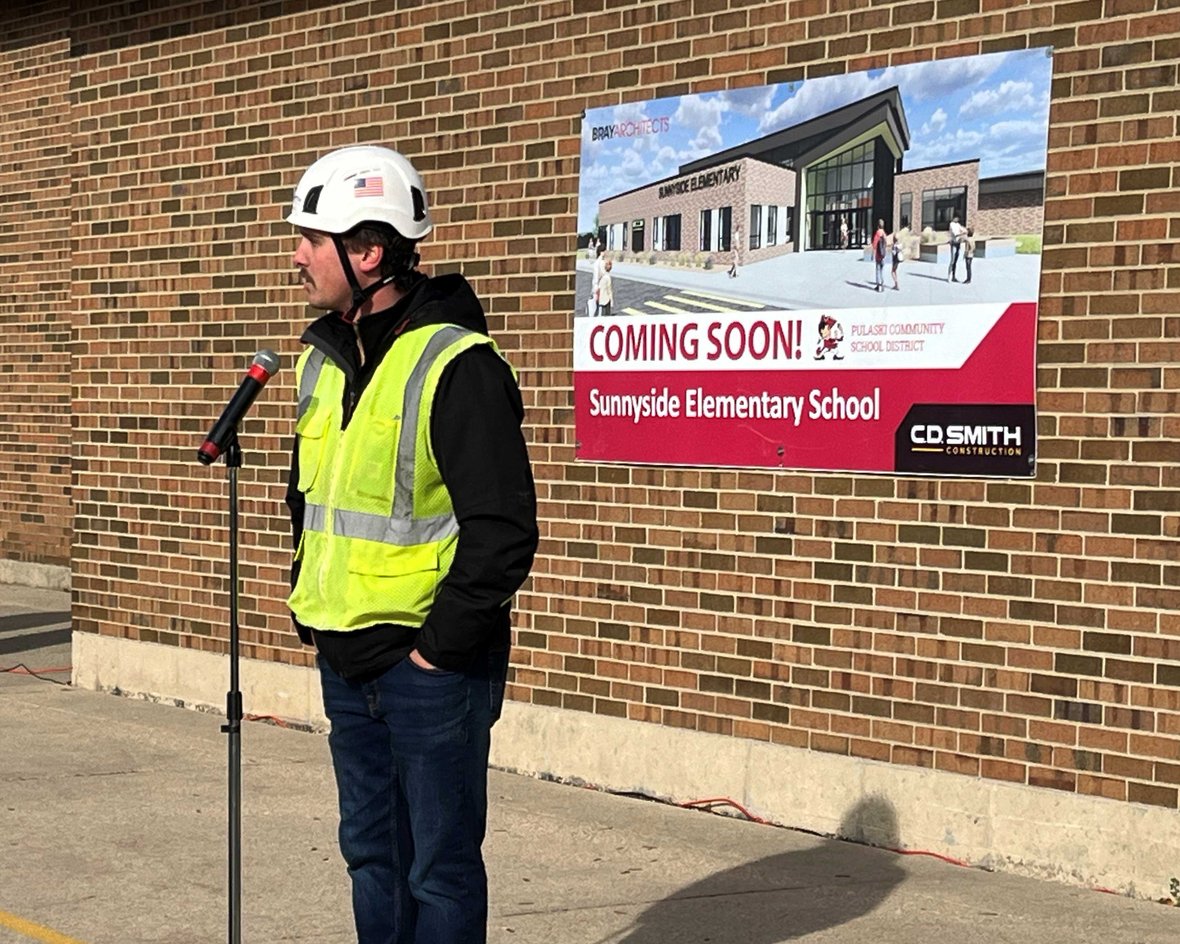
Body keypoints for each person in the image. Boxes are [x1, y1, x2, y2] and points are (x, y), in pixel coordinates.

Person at [285, 144, 539, 944]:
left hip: (429, 673)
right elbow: (308, 500)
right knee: (372, 858)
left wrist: (436, 653)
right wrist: (314, 610)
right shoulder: (322, 361)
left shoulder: (456, 364)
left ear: (368, 251)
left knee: (440, 872)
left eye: (311, 240)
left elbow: (502, 532)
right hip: (345, 660)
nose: (297, 256)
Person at [871, 219, 887, 292]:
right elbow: (886, 243)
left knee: (878, 270)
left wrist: (872, 254)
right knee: (882, 270)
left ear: (878, 225)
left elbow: (874, 244)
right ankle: (882, 285)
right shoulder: (884, 233)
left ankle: (878, 286)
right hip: (883, 255)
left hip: (878, 255)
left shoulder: (878, 233)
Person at [947, 214, 964, 282]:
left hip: (958, 243)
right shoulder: (951, 224)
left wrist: (964, 231)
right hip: (953, 243)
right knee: (952, 260)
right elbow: (955, 233)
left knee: (956, 261)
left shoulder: (958, 224)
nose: (957, 219)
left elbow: (963, 229)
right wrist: (962, 233)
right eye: (956, 218)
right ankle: (949, 276)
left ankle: (954, 276)